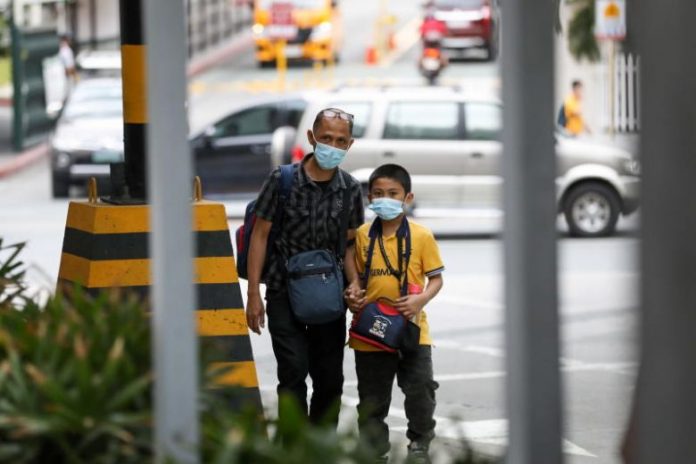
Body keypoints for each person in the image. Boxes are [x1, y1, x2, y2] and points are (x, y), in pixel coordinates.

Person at [245, 108, 365, 427]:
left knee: (329, 380)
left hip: (330, 296)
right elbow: (260, 235)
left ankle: (321, 448)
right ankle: (294, 450)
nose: (333, 145)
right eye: (326, 138)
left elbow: (351, 244)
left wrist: (355, 285)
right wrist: (253, 293)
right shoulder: (282, 180)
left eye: (341, 140)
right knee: (293, 373)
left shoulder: (351, 189)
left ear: (349, 145)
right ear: (312, 138)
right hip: (283, 291)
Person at [345, 164, 444, 464]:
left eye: (392, 194)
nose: (384, 199)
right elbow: (354, 273)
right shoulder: (363, 235)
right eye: (377, 194)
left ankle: (420, 440)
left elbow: (436, 279)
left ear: (407, 198)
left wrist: (420, 301)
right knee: (372, 400)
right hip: (370, 332)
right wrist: (352, 293)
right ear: (369, 197)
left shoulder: (422, 236)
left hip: (412, 329)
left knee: (420, 390)